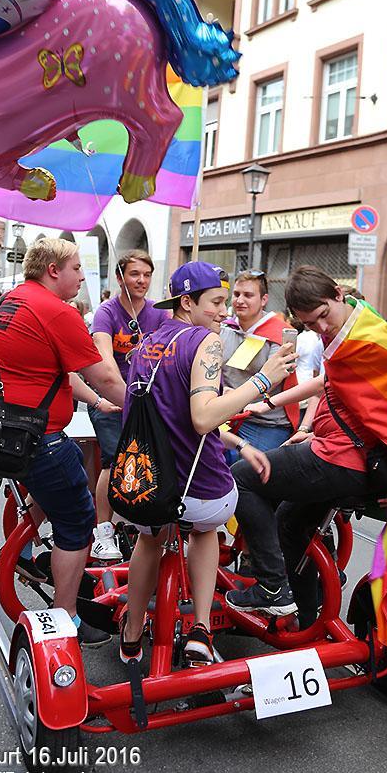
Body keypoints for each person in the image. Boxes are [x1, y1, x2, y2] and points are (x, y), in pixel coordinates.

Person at [226, 266, 387, 668]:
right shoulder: (353, 328)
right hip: (340, 451)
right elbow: (330, 383)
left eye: (324, 315)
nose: (322, 326)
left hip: (345, 459)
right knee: (290, 522)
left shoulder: (368, 341)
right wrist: (279, 407)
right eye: (312, 324)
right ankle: (304, 626)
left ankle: (273, 587)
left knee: (240, 480)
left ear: (338, 293)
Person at [119, 261, 295, 666]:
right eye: (216, 301)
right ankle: (201, 628)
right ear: (187, 302)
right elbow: (202, 417)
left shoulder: (147, 342)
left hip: (143, 487)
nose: (224, 312)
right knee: (208, 528)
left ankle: (130, 636)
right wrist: (264, 379)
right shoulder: (206, 341)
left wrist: (234, 439)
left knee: (150, 538)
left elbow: (169, 416)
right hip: (196, 494)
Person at [0, 238, 126, 647]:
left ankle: (34, 558)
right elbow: (102, 373)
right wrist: (152, 410)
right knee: (78, 519)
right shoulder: (57, 311)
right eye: (76, 268)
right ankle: (67, 616)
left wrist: (99, 403)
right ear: (53, 269)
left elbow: (60, 374)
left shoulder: (8, 302)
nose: (82, 276)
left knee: (56, 494)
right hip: (32, 441)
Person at [89, 250, 168, 561]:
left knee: (153, 459)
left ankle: (144, 519)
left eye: (147, 275)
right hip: (111, 399)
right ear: (120, 278)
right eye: (135, 274)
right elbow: (104, 358)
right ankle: (102, 532)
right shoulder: (106, 313)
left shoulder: (159, 314)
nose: (142, 281)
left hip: (148, 401)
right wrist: (120, 395)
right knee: (113, 459)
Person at [220, 270, 300, 452]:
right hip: (226, 416)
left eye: (248, 295)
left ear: (264, 300)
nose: (240, 300)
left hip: (267, 423)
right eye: (237, 294)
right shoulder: (223, 328)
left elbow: (271, 381)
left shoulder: (283, 334)